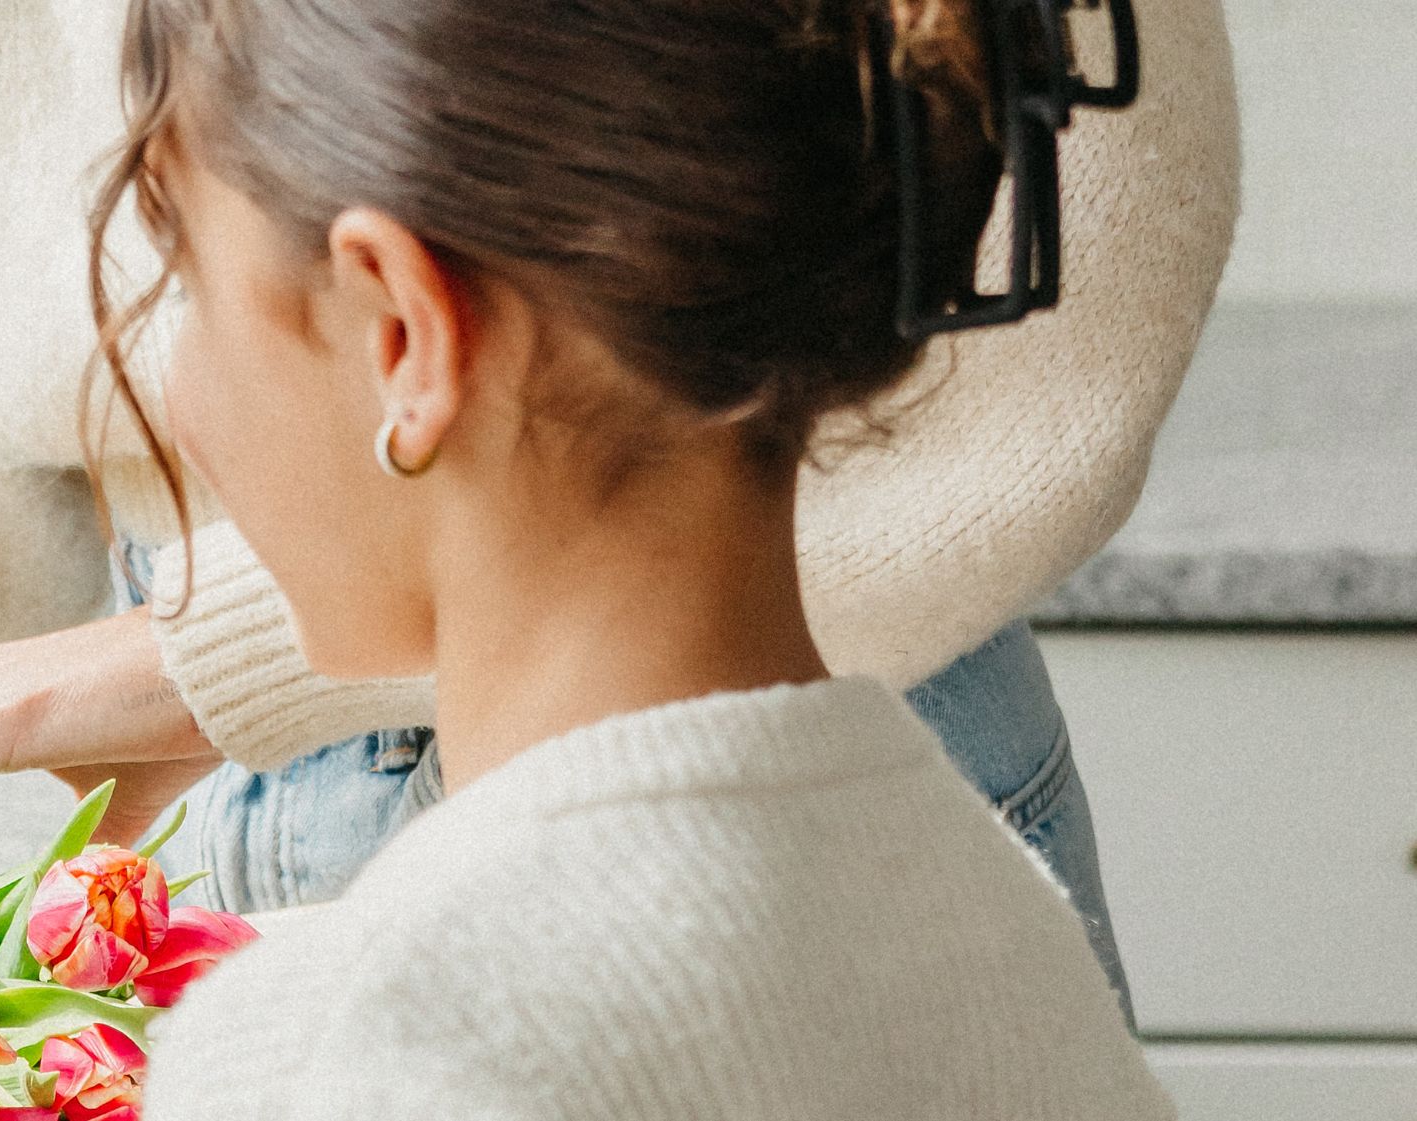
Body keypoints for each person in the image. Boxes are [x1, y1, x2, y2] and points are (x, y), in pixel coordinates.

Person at [0, 0, 1235, 986]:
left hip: (733, 719)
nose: (151, 359)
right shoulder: (972, 960)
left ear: (397, 329)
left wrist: (208, 643)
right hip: (242, 801)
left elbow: (995, 360)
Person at [106, 0, 1169, 1112]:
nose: (173, 393)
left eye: (192, 289)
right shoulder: (1002, 930)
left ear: (403, 336)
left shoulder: (352, 1040)